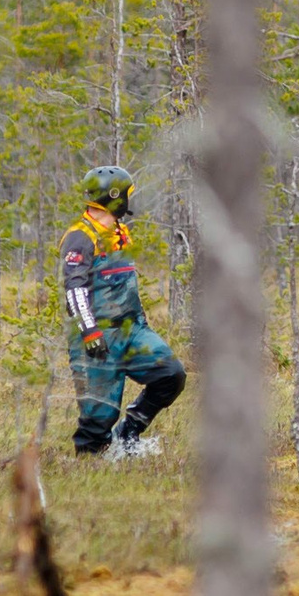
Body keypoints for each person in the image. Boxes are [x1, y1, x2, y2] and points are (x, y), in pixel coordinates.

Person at [60, 166, 186, 459]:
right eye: (128, 194)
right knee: (96, 422)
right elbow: (74, 289)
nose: (131, 199)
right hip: (95, 337)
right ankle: (92, 463)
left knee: (171, 375)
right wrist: (89, 331)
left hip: (132, 331)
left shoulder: (119, 231)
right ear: (114, 198)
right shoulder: (80, 237)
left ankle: (128, 434)